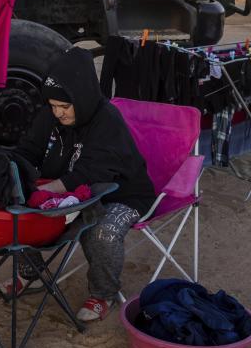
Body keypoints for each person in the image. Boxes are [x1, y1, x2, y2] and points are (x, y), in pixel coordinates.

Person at [13, 46, 156, 321]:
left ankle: (104, 294)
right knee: (20, 208)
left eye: (65, 107)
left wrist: (45, 190)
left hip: (123, 195)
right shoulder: (50, 115)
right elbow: (27, 150)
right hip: (72, 193)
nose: (58, 114)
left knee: (101, 230)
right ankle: (31, 274)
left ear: (83, 98)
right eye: (53, 107)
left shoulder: (107, 121)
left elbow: (90, 171)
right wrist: (13, 173)